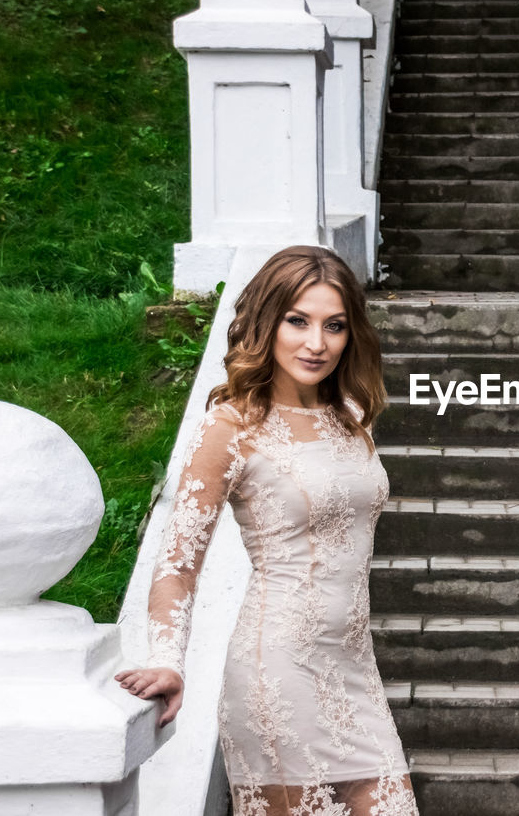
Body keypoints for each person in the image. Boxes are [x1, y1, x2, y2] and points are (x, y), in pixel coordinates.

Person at [115, 245, 419, 816]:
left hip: (355, 669)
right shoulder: (231, 426)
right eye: (297, 321)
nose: (316, 343)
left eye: (334, 326)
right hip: (278, 673)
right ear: (266, 322)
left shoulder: (352, 415)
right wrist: (168, 659)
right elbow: (178, 563)